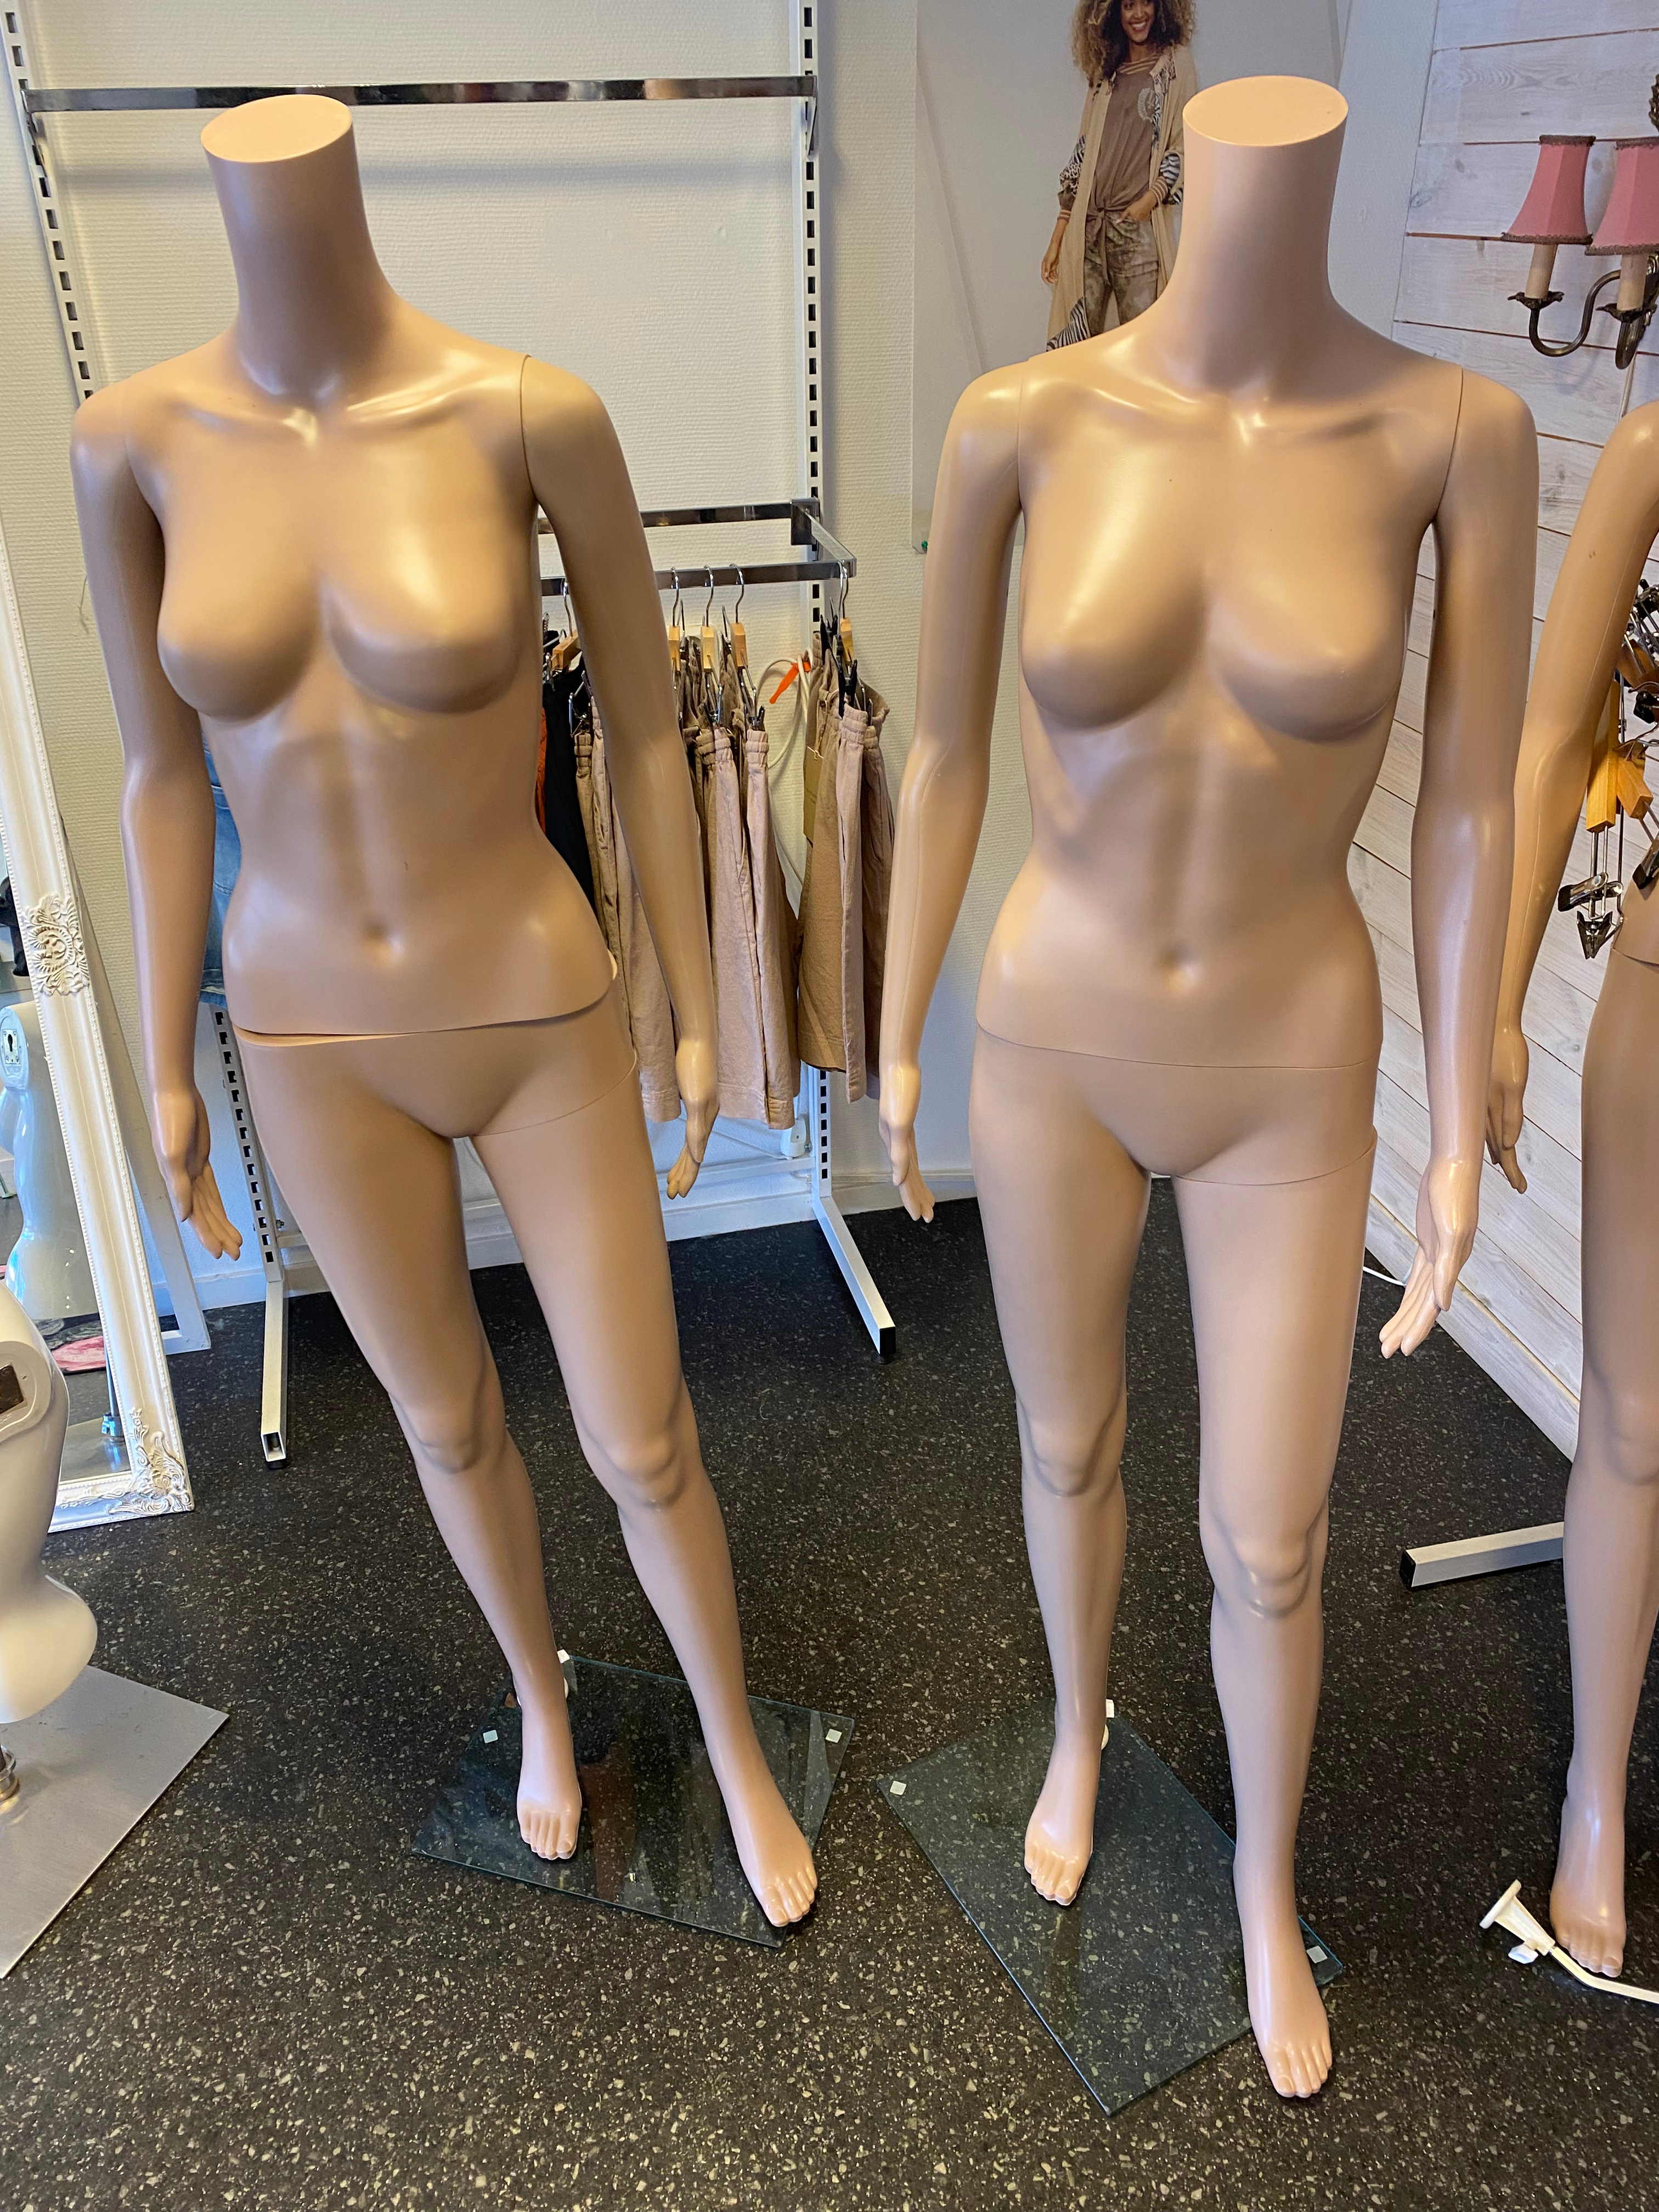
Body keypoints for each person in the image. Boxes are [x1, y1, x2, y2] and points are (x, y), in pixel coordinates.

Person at [1042, 0, 1197, 346]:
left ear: (1161, 7)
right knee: (1077, 349)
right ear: (1114, 12)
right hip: (1089, 228)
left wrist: (1148, 202)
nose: (1138, 14)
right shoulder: (1105, 73)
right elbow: (1083, 151)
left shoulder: (1175, 65)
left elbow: (1182, 145)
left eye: (1146, 3)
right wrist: (1059, 236)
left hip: (1135, 231)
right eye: (1129, 5)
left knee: (1143, 347)